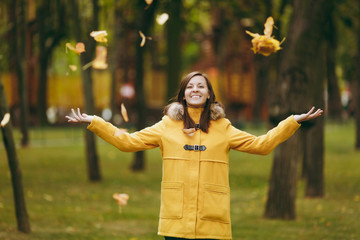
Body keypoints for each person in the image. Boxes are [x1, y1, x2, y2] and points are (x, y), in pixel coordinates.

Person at [66, 71, 323, 240]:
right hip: (175, 222)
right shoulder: (166, 126)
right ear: (184, 94)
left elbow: (262, 145)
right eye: (190, 86)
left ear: (209, 94)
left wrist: (292, 122)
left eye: (201, 86)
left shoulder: (223, 127)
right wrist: (95, 122)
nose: (196, 89)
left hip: (214, 222)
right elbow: (127, 142)